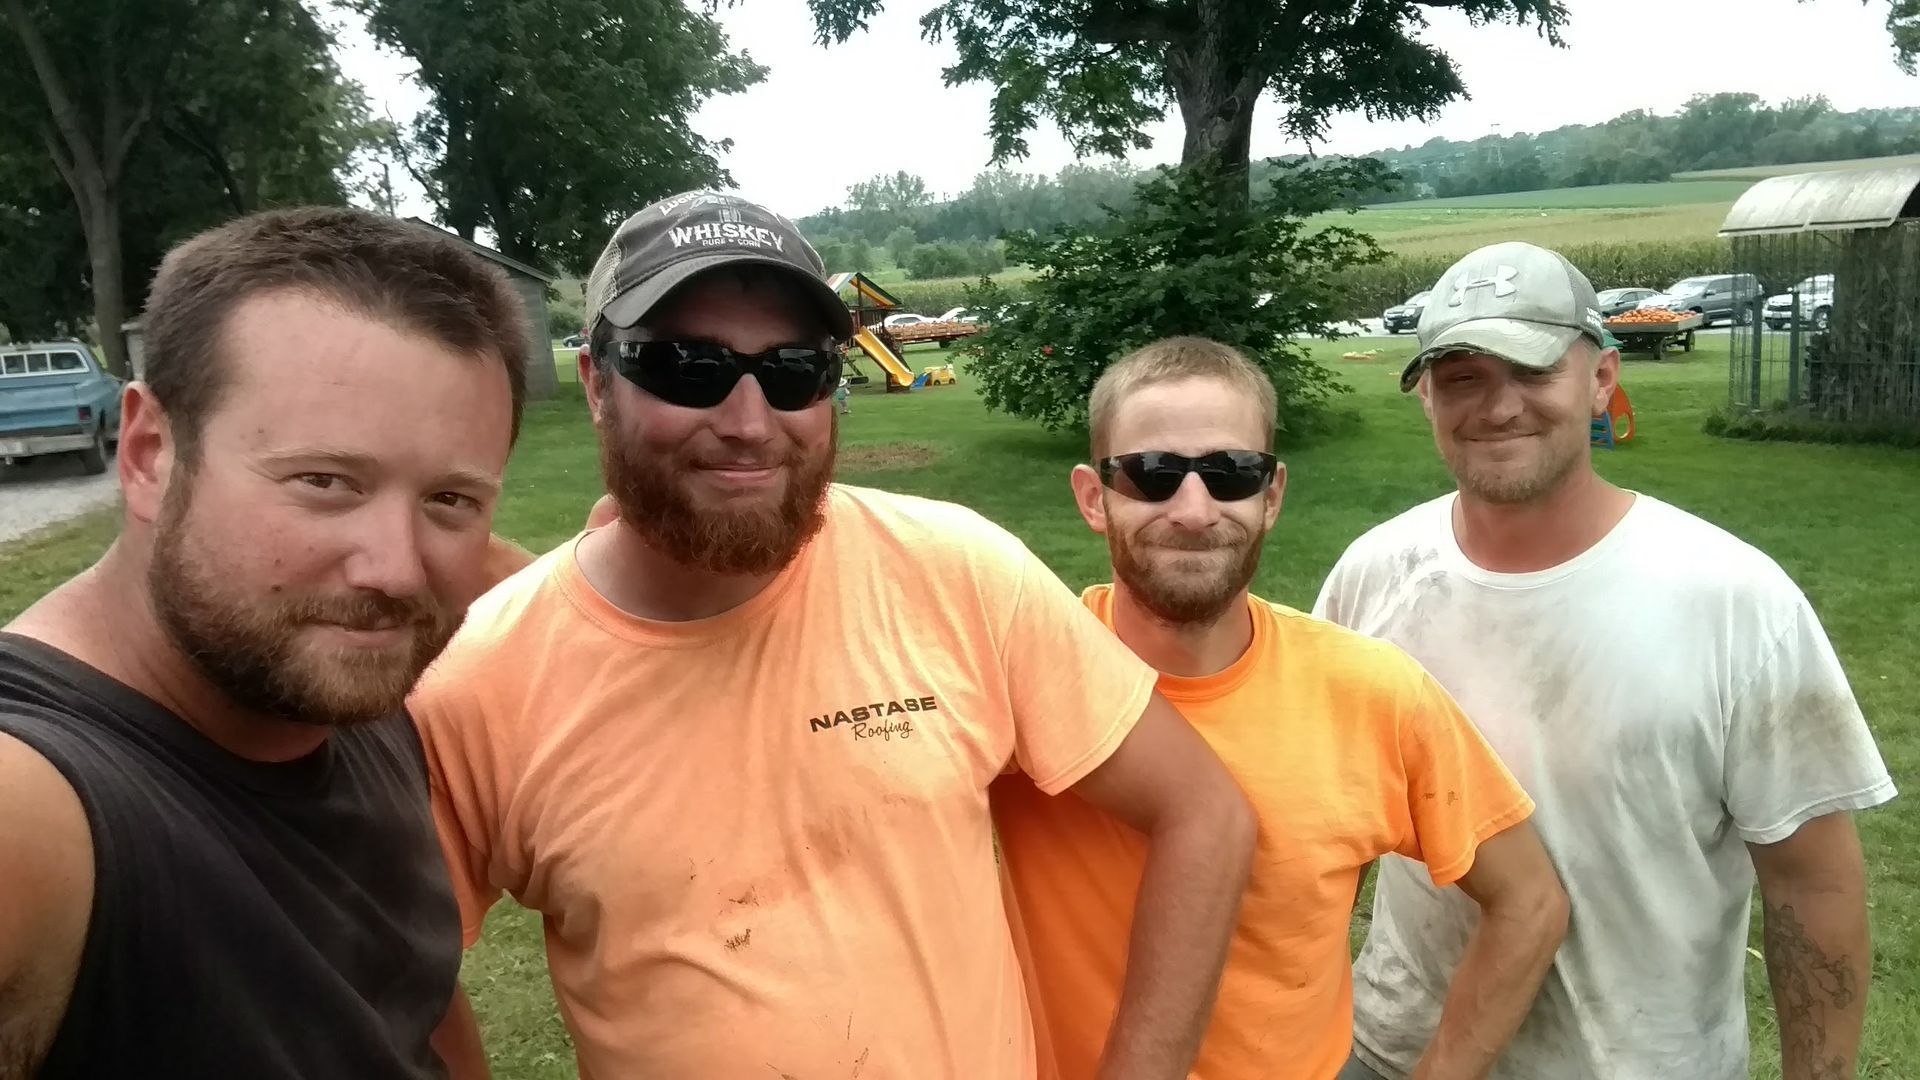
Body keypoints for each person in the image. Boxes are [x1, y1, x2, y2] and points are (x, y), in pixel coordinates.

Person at [415, 190, 1259, 1079]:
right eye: (688, 367)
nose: (748, 421)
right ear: (597, 382)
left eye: (793, 372)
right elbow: (396, 970)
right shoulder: (482, 678)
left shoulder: (958, 572)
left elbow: (1204, 813)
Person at [1315, 241, 1897, 1079]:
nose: (1497, 406)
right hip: (1396, 1053)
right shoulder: (1373, 574)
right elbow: (1328, 824)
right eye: (1462, 377)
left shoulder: (1733, 601)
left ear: (1601, 379)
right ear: (1427, 399)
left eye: (1532, 369)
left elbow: (1814, 886)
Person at [0, 206, 531, 1078]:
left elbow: (410, 995)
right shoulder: (44, 802)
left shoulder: (350, 696)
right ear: (149, 453)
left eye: (450, 501)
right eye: (324, 482)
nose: (395, 571)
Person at [990, 336, 1569, 1080]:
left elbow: (1530, 901)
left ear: (1272, 496)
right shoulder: (1021, 678)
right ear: (1094, 497)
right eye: (1153, 475)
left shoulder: (1369, 692)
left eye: (1231, 474)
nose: (1194, 510)